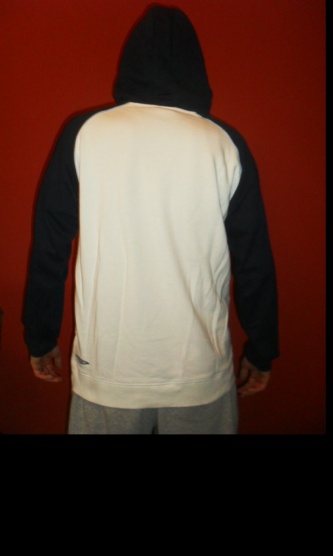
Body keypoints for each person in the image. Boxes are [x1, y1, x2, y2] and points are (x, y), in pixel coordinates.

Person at [22, 5, 279, 434]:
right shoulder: (224, 143)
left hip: (108, 369)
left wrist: (40, 335)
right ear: (196, 66)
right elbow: (254, 260)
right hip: (199, 369)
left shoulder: (85, 133)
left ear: (131, 62)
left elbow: (49, 247)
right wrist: (262, 347)